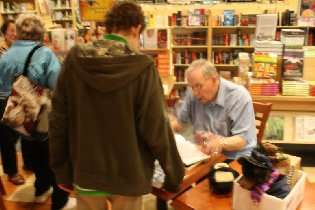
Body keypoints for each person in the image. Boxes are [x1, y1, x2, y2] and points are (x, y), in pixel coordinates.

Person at [49, 1, 185, 210]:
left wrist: (61, 170)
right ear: (137, 28)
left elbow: (58, 120)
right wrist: (174, 176)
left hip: (86, 170)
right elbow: (156, 127)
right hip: (129, 174)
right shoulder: (144, 67)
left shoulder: (74, 60)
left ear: (108, 27)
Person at [0, 14, 76, 210]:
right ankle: (60, 200)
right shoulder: (45, 54)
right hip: (43, 116)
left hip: (17, 116)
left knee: (34, 155)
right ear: (40, 32)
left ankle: (41, 190)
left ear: (18, 32)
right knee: (54, 156)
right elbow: (59, 87)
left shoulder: (6, 55)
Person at [171, 59, 257, 161]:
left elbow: (242, 139)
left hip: (236, 158)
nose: (195, 93)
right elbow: (178, 122)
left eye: (199, 86)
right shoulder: (192, 93)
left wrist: (219, 142)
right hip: (206, 155)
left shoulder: (239, 96)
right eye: (192, 87)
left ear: (214, 80)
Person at [0, 19, 26, 185]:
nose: (14, 34)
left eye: (16, 30)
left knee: (21, 132)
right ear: (3, 33)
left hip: (19, 96)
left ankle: (28, 162)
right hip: (3, 98)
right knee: (7, 137)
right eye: (11, 30)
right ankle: (11, 171)